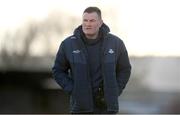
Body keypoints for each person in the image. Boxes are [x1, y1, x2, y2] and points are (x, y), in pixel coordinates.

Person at [52, 6, 131, 114]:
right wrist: (73, 90)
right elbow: (58, 71)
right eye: (85, 20)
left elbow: (125, 69)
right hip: (80, 108)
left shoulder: (116, 43)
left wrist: (115, 90)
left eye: (92, 20)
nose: (88, 24)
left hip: (107, 108)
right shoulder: (68, 44)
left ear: (100, 23)